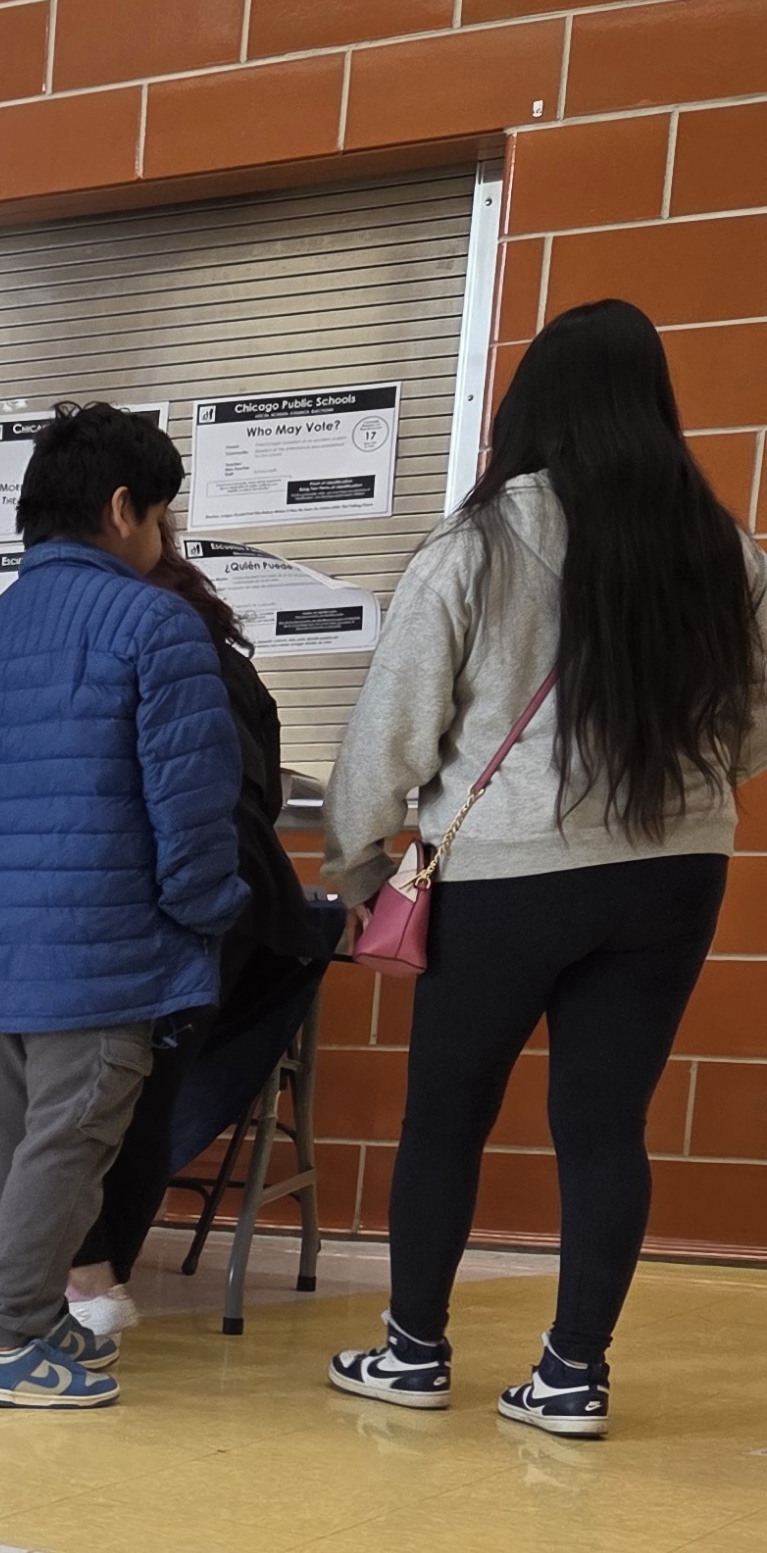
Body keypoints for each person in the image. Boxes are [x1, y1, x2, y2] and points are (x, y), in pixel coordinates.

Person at [322, 300, 767, 1439]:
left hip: (510, 871)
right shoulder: (729, 549)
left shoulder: (482, 540)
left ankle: (412, 1351)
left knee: (446, 1119)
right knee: (607, 1125)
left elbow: (395, 725)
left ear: (534, 404)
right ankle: (572, 1375)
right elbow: (753, 730)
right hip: (677, 867)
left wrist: (360, 859)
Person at [0, 401, 245, 1410]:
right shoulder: (155, 625)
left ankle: (35, 1323)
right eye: (163, 519)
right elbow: (191, 811)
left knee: (9, 1149)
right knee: (67, 1146)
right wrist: (210, 914)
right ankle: (7, 1344)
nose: (164, 541)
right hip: (100, 951)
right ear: (121, 506)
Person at [63, 550, 320, 1335]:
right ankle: (99, 1285)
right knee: (148, 1100)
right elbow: (262, 797)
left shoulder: (123, 653)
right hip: (243, 911)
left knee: (81, 1098)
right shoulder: (236, 673)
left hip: (150, 897)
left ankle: (80, 1276)